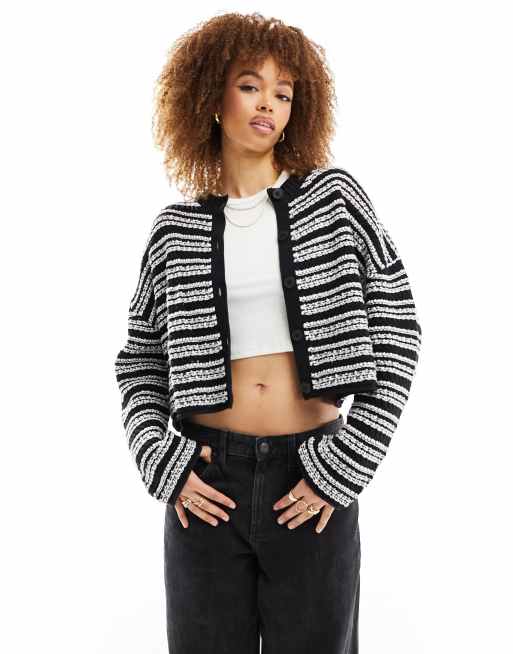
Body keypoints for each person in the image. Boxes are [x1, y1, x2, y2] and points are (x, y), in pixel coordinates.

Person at [114, 11, 422, 654]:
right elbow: (139, 360)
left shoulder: (333, 200)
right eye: (250, 85)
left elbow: (400, 327)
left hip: (313, 475)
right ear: (211, 97)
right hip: (206, 482)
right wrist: (161, 462)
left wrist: (347, 463)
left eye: (283, 94)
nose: (268, 105)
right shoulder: (175, 231)